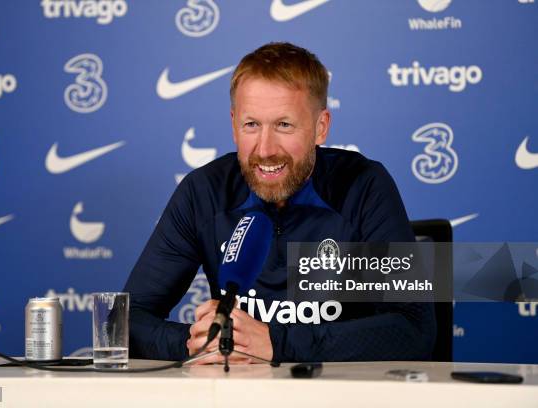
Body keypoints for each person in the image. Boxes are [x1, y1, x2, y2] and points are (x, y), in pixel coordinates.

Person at [123, 42, 436, 363]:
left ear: (321, 127)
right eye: (251, 125)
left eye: (284, 125)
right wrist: (199, 342)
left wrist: (277, 343)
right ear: (233, 125)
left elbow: (414, 328)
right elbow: (125, 320)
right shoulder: (203, 191)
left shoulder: (364, 185)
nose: (266, 149)